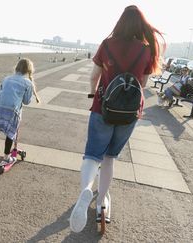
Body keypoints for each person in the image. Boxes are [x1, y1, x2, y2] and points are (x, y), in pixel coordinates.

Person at [69, 5, 164, 233]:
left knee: (92, 156)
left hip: (103, 107)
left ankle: (86, 190)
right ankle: (101, 201)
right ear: (141, 25)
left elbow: (94, 77)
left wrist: (94, 95)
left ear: (119, 22)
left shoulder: (107, 44)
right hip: (129, 113)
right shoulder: (146, 49)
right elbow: (142, 84)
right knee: (110, 158)